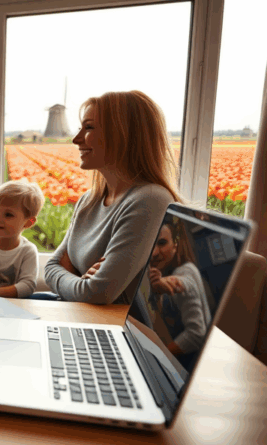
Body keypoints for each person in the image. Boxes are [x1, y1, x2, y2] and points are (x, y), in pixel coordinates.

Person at [43, 91, 181, 304]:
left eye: (88, 127)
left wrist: (77, 281)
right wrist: (80, 282)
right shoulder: (89, 200)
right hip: (79, 314)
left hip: (116, 326)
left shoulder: (149, 200)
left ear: (122, 134)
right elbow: (51, 267)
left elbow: (97, 293)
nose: (76, 139)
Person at [148, 219, 211, 361]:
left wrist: (159, 354)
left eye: (162, 243)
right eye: (152, 244)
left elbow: (196, 335)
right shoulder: (164, 270)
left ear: (175, 246)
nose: (155, 252)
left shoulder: (185, 270)